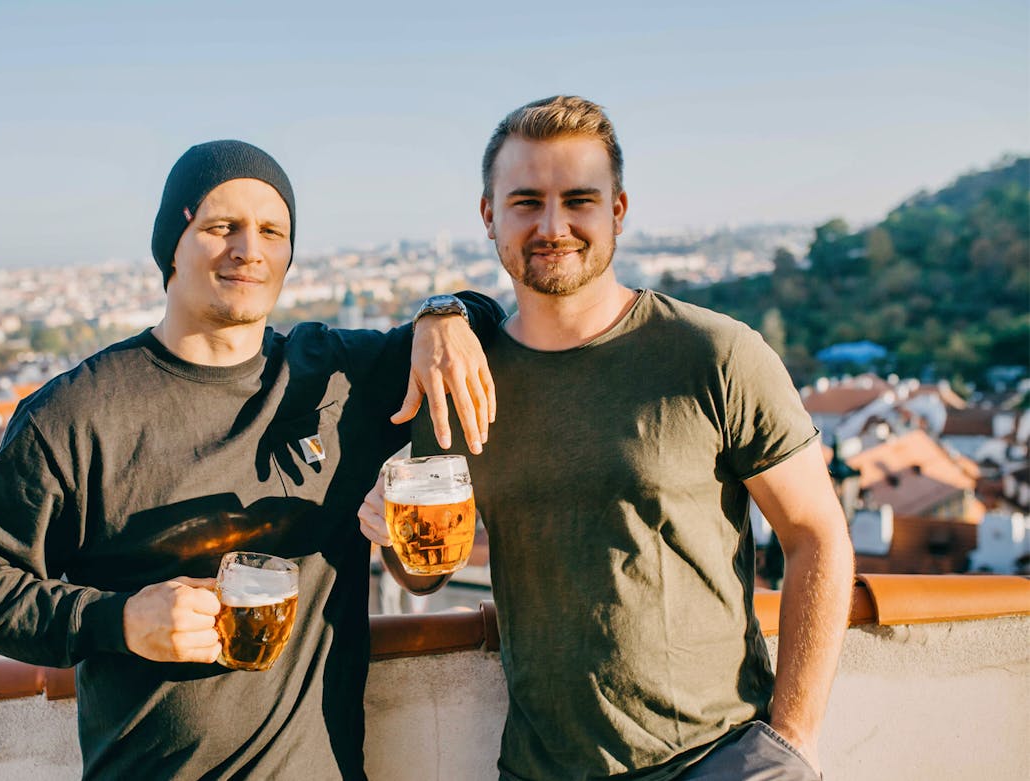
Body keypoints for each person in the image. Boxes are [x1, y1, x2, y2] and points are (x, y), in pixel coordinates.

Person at [0, 139, 503, 780]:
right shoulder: (77, 413)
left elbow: (482, 312)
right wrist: (120, 621)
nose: (248, 249)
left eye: (271, 231)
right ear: (170, 245)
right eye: (221, 226)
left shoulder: (334, 376)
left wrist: (441, 316)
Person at [360, 97, 855, 780]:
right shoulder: (461, 378)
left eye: (579, 200)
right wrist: (390, 531)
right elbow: (426, 575)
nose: (553, 225)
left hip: (716, 758)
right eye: (527, 201)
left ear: (618, 211)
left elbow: (817, 533)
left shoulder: (714, 353)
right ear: (489, 215)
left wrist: (793, 737)